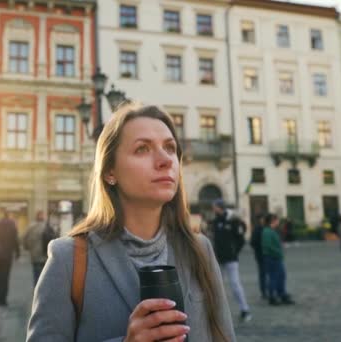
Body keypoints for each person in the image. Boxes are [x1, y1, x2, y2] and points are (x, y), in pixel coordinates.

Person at [27, 104, 236, 341]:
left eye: (170, 148)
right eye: (142, 149)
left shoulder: (200, 250)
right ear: (110, 172)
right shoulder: (69, 259)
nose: (165, 160)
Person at [208, 199, 252, 323]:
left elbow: (241, 239)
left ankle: (245, 309)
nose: (213, 209)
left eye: (214, 207)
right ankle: (217, 311)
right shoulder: (216, 221)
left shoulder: (233, 220)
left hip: (231, 259)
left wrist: (234, 251)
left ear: (219, 207)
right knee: (216, 285)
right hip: (218, 258)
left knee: (235, 284)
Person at [0, 210, 21, 306]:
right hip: (7, 255)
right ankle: (2, 298)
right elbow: (15, 240)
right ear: (8, 216)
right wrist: (18, 253)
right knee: (5, 276)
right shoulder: (12, 226)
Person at [262, 213, 295, 306]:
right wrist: (278, 252)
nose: (278, 222)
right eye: (277, 220)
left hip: (276, 257)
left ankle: (282, 294)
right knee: (273, 278)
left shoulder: (272, 231)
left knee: (281, 276)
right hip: (272, 258)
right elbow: (267, 246)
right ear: (272, 221)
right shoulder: (267, 231)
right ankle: (272, 297)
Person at [22, 210, 51, 286]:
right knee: (45, 274)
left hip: (35, 255)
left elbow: (24, 239)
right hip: (45, 254)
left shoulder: (31, 226)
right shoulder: (47, 226)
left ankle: (37, 291)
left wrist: (28, 247)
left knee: (36, 274)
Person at [250, 214, 268, 300]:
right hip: (261, 255)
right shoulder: (257, 229)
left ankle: (268, 290)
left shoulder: (266, 228)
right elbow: (253, 242)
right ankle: (264, 292)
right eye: (262, 219)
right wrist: (260, 249)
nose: (263, 220)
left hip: (266, 255)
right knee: (263, 274)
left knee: (267, 273)